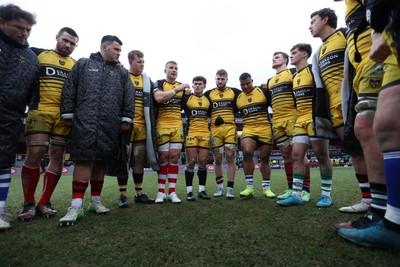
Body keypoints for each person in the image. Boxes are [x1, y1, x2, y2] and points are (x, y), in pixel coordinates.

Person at [337, 0, 400, 250]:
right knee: (370, 126)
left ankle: (387, 217)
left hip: (387, 45)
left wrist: (384, 30)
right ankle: (383, 213)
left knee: (379, 124)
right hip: (369, 60)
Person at [58, 35, 134, 226]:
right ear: (104, 47)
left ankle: (95, 202)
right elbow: (69, 88)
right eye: (116, 49)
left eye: (120, 51)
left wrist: (126, 117)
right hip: (85, 121)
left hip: (110, 123)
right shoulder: (83, 64)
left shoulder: (122, 73)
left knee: (101, 161)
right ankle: (76, 205)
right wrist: (67, 113)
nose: (119, 54)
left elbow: (129, 95)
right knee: (84, 159)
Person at [309, 8, 371, 213]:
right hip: (334, 111)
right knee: (355, 152)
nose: (310, 26)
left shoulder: (345, 34)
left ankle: (384, 200)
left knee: (372, 150)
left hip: (355, 100)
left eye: (313, 21)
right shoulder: (319, 52)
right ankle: (368, 199)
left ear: (325, 20)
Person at [18, 27, 79, 221]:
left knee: (57, 155)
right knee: (35, 152)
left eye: (72, 44)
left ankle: (44, 202)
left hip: (64, 115)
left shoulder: (76, 65)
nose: (68, 45)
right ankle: (28, 203)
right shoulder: (37, 54)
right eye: (65, 40)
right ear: (57, 37)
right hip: (40, 110)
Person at [276, 43, 334, 208]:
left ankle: (326, 195)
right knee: (296, 155)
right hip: (300, 120)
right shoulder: (294, 76)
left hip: (315, 117)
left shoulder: (313, 70)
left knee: (322, 155)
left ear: (304, 54)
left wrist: (324, 115)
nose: (291, 55)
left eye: (294, 53)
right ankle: (296, 194)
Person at [0, 3, 39, 230]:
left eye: (28, 30)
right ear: (2, 23)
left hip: (10, 117)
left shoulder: (31, 57)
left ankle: (1, 211)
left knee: (3, 162)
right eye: (20, 28)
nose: (24, 33)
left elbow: (33, 94)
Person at [262, 52, 311, 202]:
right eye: (273, 57)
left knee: (300, 155)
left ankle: (305, 190)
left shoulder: (292, 73)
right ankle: (291, 188)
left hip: (293, 118)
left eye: (277, 57)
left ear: (285, 60)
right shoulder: (270, 81)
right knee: (286, 155)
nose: (273, 59)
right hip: (277, 121)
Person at [110, 50, 155, 208]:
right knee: (123, 159)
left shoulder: (147, 80)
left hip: (142, 127)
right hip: (125, 126)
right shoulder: (122, 75)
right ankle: (122, 195)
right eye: (139, 62)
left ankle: (139, 193)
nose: (142, 64)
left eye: (143, 61)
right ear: (130, 62)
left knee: (139, 159)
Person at [153, 61, 190, 204]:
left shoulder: (182, 87)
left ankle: (172, 192)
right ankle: (161, 192)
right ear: (165, 70)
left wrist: (188, 93)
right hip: (162, 125)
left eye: (176, 68)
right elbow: (159, 98)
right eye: (171, 68)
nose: (174, 70)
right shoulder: (159, 83)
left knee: (174, 158)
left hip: (177, 126)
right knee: (163, 157)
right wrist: (177, 89)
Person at [236, 73, 276, 199]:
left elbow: (275, 104)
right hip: (248, 129)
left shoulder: (263, 91)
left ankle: (266, 188)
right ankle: (249, 187)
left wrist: (268, 87)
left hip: (264, 128)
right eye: (242, 84)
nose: (246, 86)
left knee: (264, 158)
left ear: (252, 81)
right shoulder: (238, 98)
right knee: (247, 152)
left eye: (248, 83)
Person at [204, 69, 241, 199]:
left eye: (222, 79)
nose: (220, 81)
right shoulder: (208, 94)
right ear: (215, 79)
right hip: (215, 130)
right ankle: (219, 188)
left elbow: (248, 95)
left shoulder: (235, 92)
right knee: (218, 159)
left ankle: (230, 189)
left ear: (227, 79)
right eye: (218, 79)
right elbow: (202, 106)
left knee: (230, 156)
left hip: (230, 129)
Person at [181, 76, 212, 201]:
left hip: (205, 133)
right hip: (191, 133)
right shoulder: (187, 98)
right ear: (192, 85)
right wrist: (184, 94)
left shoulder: (208, 100)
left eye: (200, 84)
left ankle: (202, 190)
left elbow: (210, 116)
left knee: (203, 161)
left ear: (204, 86)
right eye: (196, 83)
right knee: (191, 161)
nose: (198, 86)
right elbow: (178, 107)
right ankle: (189, 191)